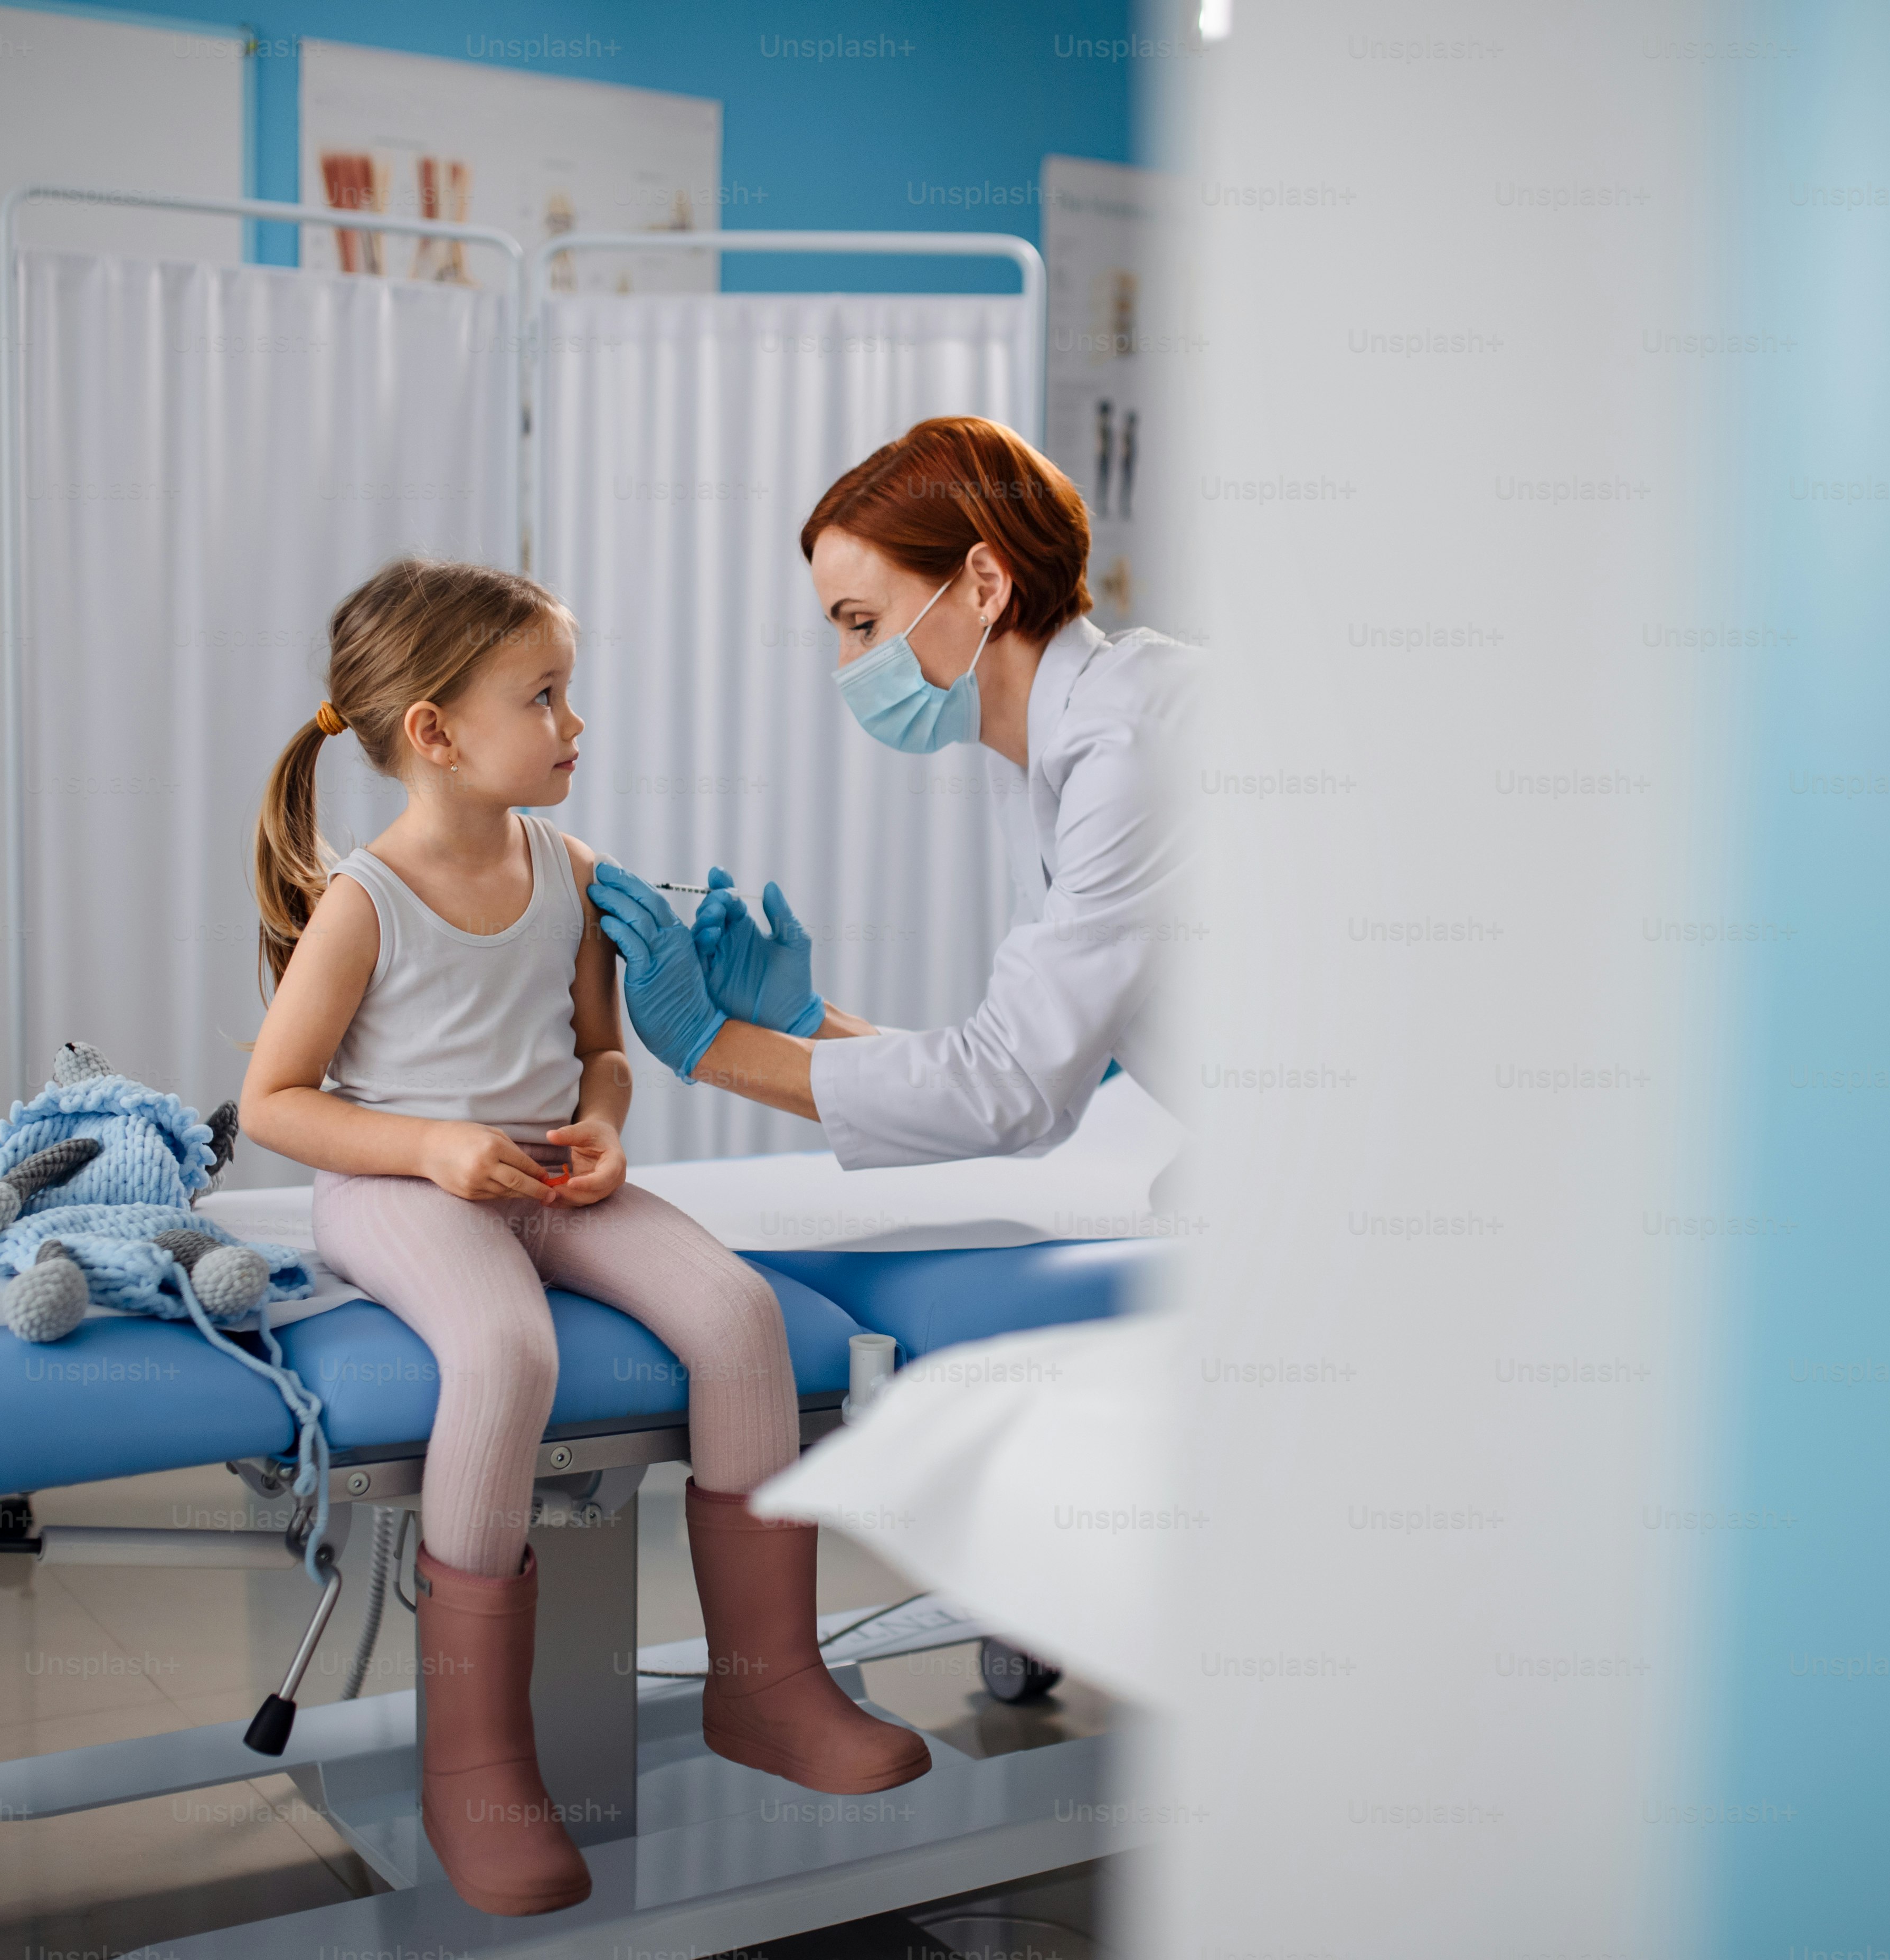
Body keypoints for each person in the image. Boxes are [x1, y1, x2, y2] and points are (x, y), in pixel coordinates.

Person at [237, 560, 927, 1919]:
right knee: (503, 1354)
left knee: (735, 1317)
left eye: (570, 693)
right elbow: (279, 1101)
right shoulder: (365, 900)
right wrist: (437, 1146)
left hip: (554, 1172)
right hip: (405, 1185)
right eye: (543, 696)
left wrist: (606, 1124)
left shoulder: (577, 871)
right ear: (434, 732)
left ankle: (769, 1687)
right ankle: (479, 1767)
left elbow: (604, 1053)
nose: (575, 723)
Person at [587, 416, 1193, 1170]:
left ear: (985, 585)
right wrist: (806, 1022)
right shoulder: (1039, 758)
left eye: (863, 626)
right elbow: (1044, 1076)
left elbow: (1012, 1088)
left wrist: (711, 1046)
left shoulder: (1126, 745)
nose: (846, 664)